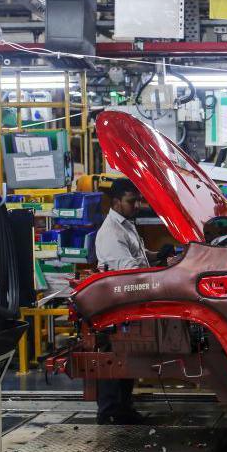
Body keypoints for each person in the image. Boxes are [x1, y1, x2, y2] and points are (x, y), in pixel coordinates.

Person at [93, 179, 167, 425]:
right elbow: (129, 269)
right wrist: (162, 274)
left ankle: (123, 408)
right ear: (115, 202)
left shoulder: (126, 225)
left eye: (137, 200)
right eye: (130, 201)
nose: (136, 205)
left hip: (130, 300)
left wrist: (160, 256)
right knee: (114, 357)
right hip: (116, 304)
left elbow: (140, 257)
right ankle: (110, 411)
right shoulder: (110, 233)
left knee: (127, 357)